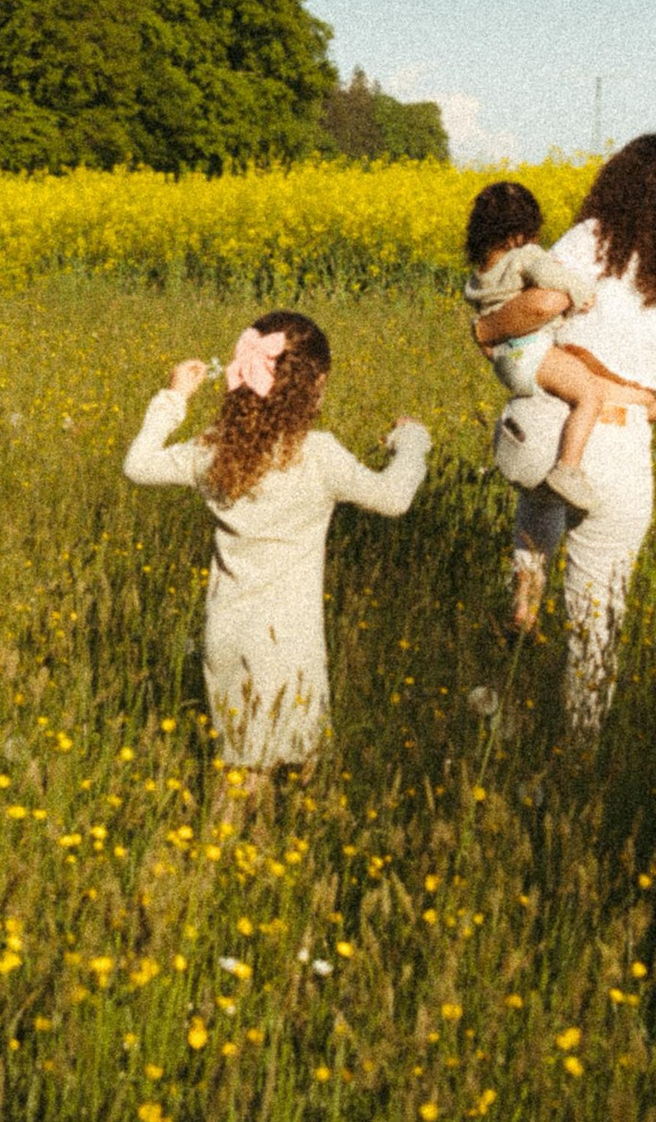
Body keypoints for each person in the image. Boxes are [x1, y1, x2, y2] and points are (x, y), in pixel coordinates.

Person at [479, 133, 656, 728]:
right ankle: (580, 745)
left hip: (542, 422)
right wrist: (631, 406)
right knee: (596, 621)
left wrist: (486, 330)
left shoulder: (592, 237)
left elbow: (539, 305)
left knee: (541, 497)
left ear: (618, 184)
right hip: (622, 439)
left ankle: (525, 592)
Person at [121, 309, 429, 783]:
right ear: (315, 385)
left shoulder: (214, 449)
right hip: (288, 644)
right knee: (296, 771)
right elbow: (394, 497)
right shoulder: (317, 454)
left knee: (242, 772)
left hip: (224, 635)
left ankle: (225, 832)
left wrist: (174, 396)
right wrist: (411, 441)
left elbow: (138, 465)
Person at [461, 176, 619, 509]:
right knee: (591, 394)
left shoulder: (480, 275)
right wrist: (581, 291)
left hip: (506, 362)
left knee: (560, 404)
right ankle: (568, 470)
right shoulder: (525, 255)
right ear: (519, 232)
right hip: (532, 351)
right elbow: (551, 278)